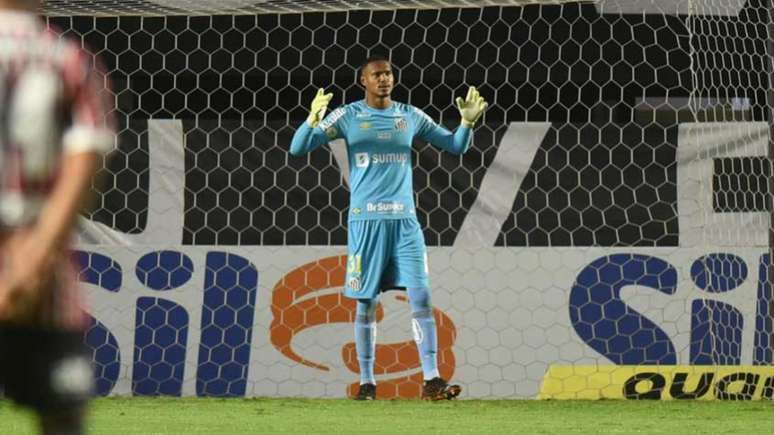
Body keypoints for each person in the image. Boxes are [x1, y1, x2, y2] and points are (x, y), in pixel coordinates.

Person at [290, 54, 487, 400]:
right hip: (366, 223)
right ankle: (367, 383)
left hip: (406, 224)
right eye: (377, 74)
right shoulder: (348, 115)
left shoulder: (409, 115)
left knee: (421, 295)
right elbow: (298, 148)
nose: (384, 79)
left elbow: (455, 146)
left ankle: (432, 381)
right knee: (365, 303)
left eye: (388, 74)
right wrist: (312, 120)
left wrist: (467, 124)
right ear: (363, 81)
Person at [0, 1, 114, 433]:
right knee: (61, 416)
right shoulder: (70, 60)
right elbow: (85, 162)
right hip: (43, 275)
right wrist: (33, 259)